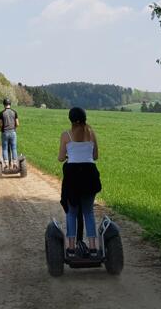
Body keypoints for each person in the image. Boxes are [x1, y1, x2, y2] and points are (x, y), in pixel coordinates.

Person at [58, 107, 101, 258]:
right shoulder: (91, 133)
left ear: (70, 119)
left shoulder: (66, 135)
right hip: (90, 175)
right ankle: (94, 248)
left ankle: (70, 249)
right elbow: (95, 156)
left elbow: (61, 158)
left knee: (72, 212)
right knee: (89, 212)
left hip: (73, 176)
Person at [0, 99, 19, 168]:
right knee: (14, 148)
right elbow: (17, 124)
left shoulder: (2, 113)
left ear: (4, 104)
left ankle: (6, 163)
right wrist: (13, 127)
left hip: (5, 133)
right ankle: (15, 163)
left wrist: (1, 127)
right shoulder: (14, 112)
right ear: (10, 104)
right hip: (13, 132)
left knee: (5, 148)